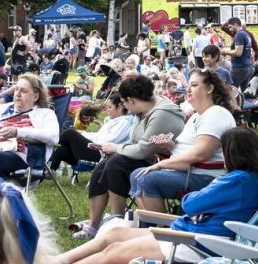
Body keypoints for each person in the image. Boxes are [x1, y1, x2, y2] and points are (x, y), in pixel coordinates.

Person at [45, 127, 258, 264]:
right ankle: (56, 263)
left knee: (113, 251)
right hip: (196, 232)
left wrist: (202, 205)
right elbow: (209, 207)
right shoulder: (255, 177)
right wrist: (207, 208)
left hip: (199, 243)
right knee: (114, 233)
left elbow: (189, 203)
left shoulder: (237, 180)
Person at [79, 75, 184, 236]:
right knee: (105, 164)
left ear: (131, 100)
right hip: (147, 160)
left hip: (165, 165)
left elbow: (143, 149)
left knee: (115, 163)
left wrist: (116, 147)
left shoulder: (162, 114)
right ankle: (93, 223)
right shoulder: (142, 111)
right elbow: (134, 143)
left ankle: (118, 219)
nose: (126, 108)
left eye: (124, 103)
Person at [130, 69, 237, 211]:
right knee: (136, 175)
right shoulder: (196, 116)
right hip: (189, 172)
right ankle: (149, 224)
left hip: (207, 177)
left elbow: (201, 154)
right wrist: (170, 146)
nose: (188, 89)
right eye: (188, 85)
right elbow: (190, 148)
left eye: (193, 85)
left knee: (147, 179)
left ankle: (161, 228)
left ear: (209, 88)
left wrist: (162, 165)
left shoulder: (215, 114)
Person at [48, 93, 135, 185]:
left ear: (120, 108)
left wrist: (83, 135)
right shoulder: (114, 121)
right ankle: (49, 171)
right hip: (95, 150)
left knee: (69, 133)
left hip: (101, 155)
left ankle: (47, 148)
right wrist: (83, 134)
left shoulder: (124, 123)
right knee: (62, 149)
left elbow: (106, 140)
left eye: (109, 107)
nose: (107, 110)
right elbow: (98, 135)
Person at [221, 18, 254, 88]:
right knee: (244, 91)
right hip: (248, 66)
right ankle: (242, 99)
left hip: (239, 68)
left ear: (235, 25)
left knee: (229, 89)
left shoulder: (239, 34)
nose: (229, 29)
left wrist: (224, 51)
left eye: (230, 27)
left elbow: (238, 52)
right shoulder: (246, 34)